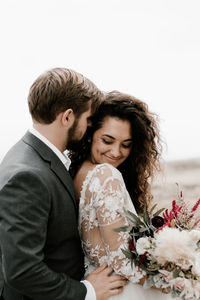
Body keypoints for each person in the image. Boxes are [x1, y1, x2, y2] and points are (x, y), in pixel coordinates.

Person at [0, 69, 127, 300]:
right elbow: (22, 271)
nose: (90, 127)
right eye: (88, 120)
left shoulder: (30, 155)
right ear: (67, 117)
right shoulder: (28, 176)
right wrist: (86, 291)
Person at [70, 91, 172, 300]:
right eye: (107, 140)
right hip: (122, 290)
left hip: (97, 285)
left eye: (126, 144)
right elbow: (121, 260)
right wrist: (172, 280)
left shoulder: (77, 172)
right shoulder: (107, 174)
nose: (116, 152)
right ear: (90, 135)